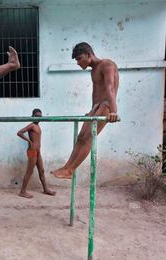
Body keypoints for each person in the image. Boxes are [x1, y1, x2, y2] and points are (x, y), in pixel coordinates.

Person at [51, 42, 119, 179]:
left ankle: (70, 170)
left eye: (79, 58)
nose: (78, 62)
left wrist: (114, 111)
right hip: (97, 106)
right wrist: (92, 110)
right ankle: (66, 167)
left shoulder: (107, 65)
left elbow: (110, 87)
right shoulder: (93, 70)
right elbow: (95, 92)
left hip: (106, 106)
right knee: (81, 137)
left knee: (88, 138)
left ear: (89, 55)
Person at [17, 108, 56, 198]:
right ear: (32, 116)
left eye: (40, 116)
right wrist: (29, 141)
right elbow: (19, 133)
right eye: (37, 116)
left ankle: (45, 189)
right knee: (29, 171)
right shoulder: (31, 125)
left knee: (41, 170)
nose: (39, 118)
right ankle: (22, 192)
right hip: (32, 151)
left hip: (38, 151)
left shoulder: (38, 126)